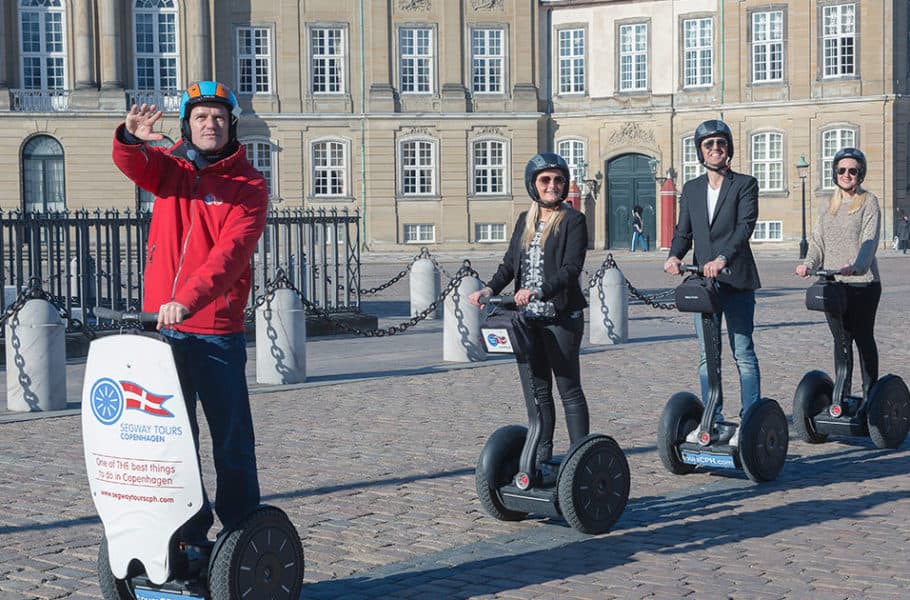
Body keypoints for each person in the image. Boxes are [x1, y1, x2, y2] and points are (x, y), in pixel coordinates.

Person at [112, 81, 268, 547]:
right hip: (164, 332)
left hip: (214, 330)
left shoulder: (248, 185)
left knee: (231, 440)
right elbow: (135, 165)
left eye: (218, 117)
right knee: (172, 441)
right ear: (187, 124)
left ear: (231, 124)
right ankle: (188, 530)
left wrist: (189, 299)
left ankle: (243, 532)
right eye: (201, 117)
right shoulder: (172, 169)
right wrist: (129, 137)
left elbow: (230, 256)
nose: (210, 124)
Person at [469, 152, 590, 469]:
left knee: (568, 388)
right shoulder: (526, 220)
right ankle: (541, 455)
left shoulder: (573, 220)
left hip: (561, 317)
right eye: (545, 180)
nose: (552, 185)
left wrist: (540, 290)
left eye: (558, 180)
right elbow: (510, 264)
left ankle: (580, 459)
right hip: (527, 319)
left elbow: (570, 268)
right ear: (534, 185)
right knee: (538, 391)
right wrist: (490, 289)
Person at [664, 119, 762, 424]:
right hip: (704, 286)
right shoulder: (692, 189)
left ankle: (751, 418)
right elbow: (683, 231)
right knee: (708, 357)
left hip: (736, 280)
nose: (716, 148)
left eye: (721, 143)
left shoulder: (745, 184)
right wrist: (673, 255)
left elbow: (744, 228)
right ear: (701, 152)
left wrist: (722, 258)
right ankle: (713, 416)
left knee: (742, 353)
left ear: (728, 149)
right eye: (709, 144)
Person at [796, 147, 881, 400]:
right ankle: (841, 395)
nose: (847, 174)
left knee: (863, 338)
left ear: (860, 174)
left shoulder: (869, 202)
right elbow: (817, 242)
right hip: (834, 285)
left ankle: (871, 395)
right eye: (842, 170)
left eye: (853, 171)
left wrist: (859, 265)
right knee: (841, 340)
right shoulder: (827, 206)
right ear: (835, 173)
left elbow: (870, 239)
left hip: (863, 284)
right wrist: (807, 264)